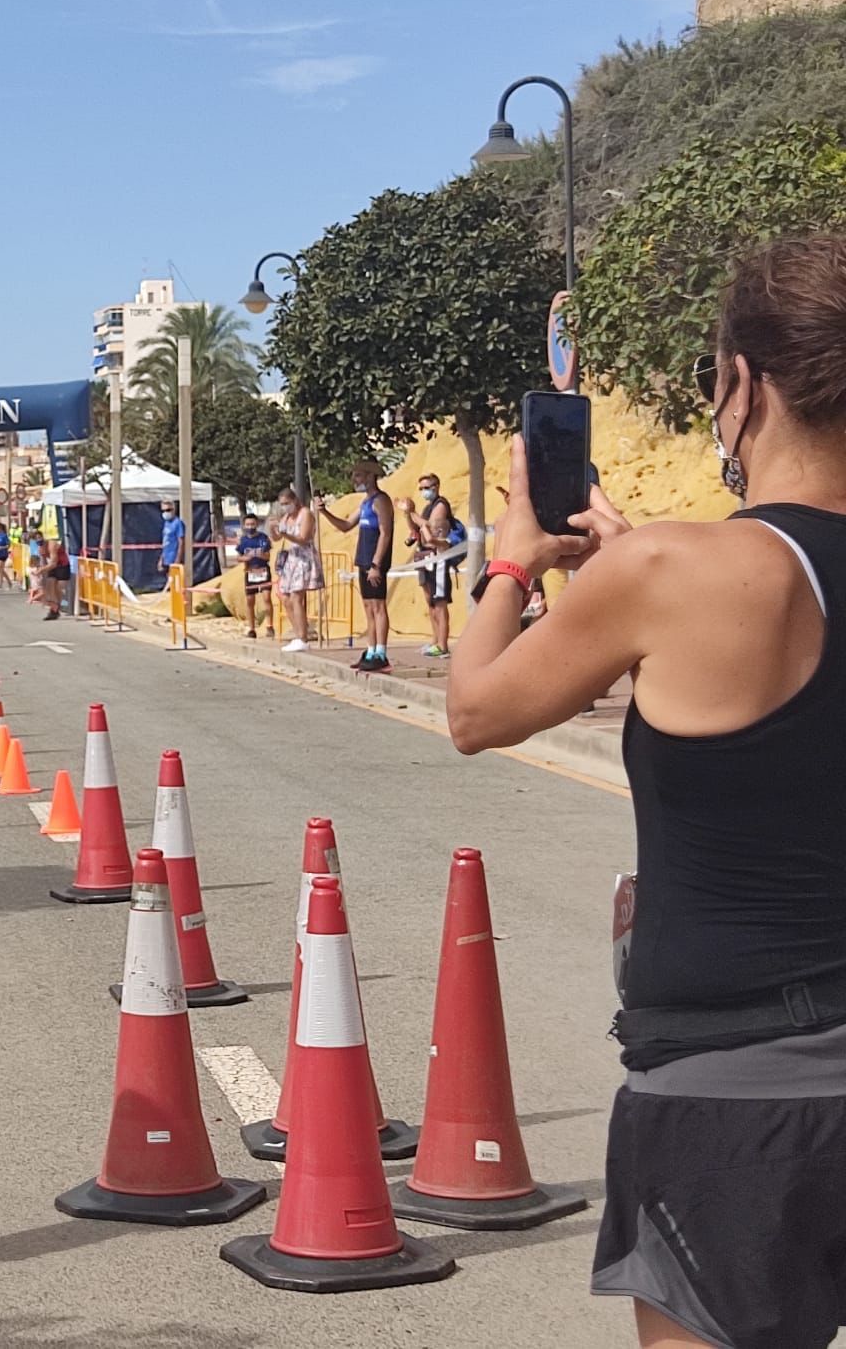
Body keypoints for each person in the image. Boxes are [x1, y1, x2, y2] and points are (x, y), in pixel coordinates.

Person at [445, 238, 846, 1349]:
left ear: (738, 387)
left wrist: (515, 563)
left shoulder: (671, 572)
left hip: (731, 1093)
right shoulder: (670, 568)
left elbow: (476, 710)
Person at [317, 461, 395, 672]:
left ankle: (381, 652)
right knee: (368, 607)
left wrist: (376, 563)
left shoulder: (381, 501)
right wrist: (325, 512)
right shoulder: (365, 503)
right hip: (363, 559)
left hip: (374, 561)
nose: (355, 480)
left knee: (378, 606)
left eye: (359, 476)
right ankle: (370, 649)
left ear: (370, 477)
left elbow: (385, 533)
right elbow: (345, 526)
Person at [400, 472, 463, 660]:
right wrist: (407, 514)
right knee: (430, 602)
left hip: (439, 557)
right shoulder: (427, 507)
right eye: (421, 489)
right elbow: (416, 528)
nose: (424, 492)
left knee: (440, 602)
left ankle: (443, 645)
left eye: (427, 487)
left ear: (436, 486)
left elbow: (432, 527)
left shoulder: (441, 505)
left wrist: (412, 512)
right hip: (424, 556)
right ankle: (435, 640)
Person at [270, 487, 321, 652]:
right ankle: (298, 632)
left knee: (296, 597)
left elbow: (303, 538)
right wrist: (274, 529)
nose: (285, 507)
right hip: (291, 559)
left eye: (287, 503)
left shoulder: (305, 514)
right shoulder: (286, 517)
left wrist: (285, 534)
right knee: (285, 598)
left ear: (295, 501)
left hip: (303, 557)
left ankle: (303, 637)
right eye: (282, 504)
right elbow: (278, 537)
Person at [234, 512, 273, 639]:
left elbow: (268, 556)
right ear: (244, 525)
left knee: (267, 597)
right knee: (250, 601)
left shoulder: (263, 538)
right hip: (250, 572)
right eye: (248, 524)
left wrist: (260, 555)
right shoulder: (243, 540)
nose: (250, 526)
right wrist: (246, 557)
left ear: (257, 524)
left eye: (252, 524)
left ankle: (269, 625)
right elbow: (238, 558)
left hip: (263, 571)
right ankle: (251, 628)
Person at [41, 533, 71, 621]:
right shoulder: (41, 548)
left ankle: (57, 607)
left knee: (59, 589)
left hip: (62, 565)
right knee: (49, 584)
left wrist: (42, 570)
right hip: (52, 566)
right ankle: (53, 607)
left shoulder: (52, 545)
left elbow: (53, 562)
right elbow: (44, 562)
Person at [159, 498, 185, 584]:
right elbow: (165, 543)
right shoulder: (166, 523)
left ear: (174, 510)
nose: (166, 513)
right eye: (163, 510)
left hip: (174, 558)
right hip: (166, 558)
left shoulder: (178, 523)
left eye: (168, 510)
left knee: (176, 584)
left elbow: (181, 542)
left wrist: (178, 559)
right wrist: (161, 559)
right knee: (169, 583)